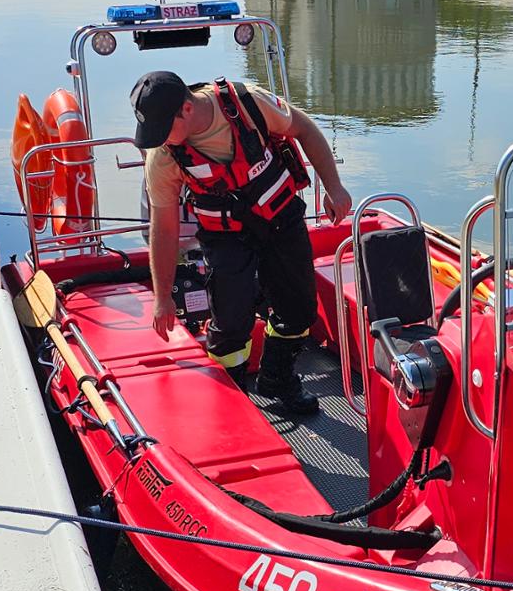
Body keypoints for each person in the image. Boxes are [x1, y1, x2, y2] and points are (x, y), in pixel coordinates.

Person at [131, 71, 351, 416]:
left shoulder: (247, 102)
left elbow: (305, 129)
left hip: (281, 218)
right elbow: (164, 228)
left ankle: (277, 378)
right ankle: (234, 403)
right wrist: (163, 298)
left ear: (187, 109)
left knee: (299, 311)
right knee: (231, 323)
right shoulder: (163, 156)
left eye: (164, 130)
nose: (161, 140)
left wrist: (334, 187)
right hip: (225, 235)